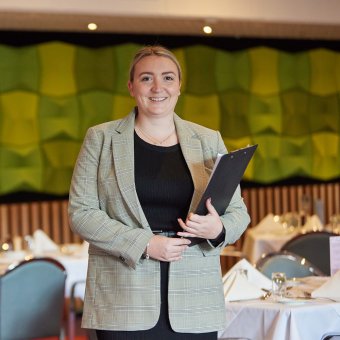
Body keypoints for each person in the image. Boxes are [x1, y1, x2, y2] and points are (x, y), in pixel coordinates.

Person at [68, 45, 250, 340]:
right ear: (131, 86)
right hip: (123, 294)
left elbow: (238, 213)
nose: (157, 87)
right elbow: (81, 213)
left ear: (179, 86)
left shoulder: (208, 139)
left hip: (195, 296)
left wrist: (218, 228)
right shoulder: (100, 139)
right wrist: (145, 244)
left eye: (167, 78)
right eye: (146, 78)